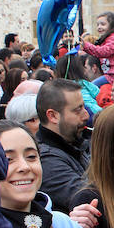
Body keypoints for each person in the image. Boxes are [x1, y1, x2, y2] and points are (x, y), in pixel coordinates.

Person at [35, 79, 92, 214]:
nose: (86, 115)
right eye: (78, 110)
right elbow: (89, 196)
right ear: (53, 116)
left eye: (84, 107)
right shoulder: (46, 161)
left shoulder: (75, 142)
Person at [80, 12, 114, 86]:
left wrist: (86, 45)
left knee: (91, 87)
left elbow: (103, 51)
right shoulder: (109, 39)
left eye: (103, 24)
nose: (99, 27)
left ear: (112, 26)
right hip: (112, 74)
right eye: (97, 24)